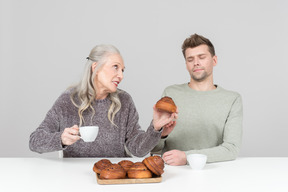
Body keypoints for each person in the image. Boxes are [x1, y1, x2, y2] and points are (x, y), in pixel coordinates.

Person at [29, 44, 177, 157]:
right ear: (96, 68)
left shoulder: (124, 101)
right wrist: (61, 139)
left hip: (114, 178)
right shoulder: (68, 100)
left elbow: (137, 150)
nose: (121, 75)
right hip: (74, 179)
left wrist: (155, 129)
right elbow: (34, 142)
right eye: (115, 67)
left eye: (122, 70)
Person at [151, 34, 243, 165]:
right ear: (186, 64)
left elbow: (231, 149)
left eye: (202, 57)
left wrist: (187, 157)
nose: (196, 63)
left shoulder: (232, 99)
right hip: (173, 173)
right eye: (190, 59)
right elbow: (154, 149)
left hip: (215, 172)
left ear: (214, 60)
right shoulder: (170, 93)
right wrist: (160, 133)